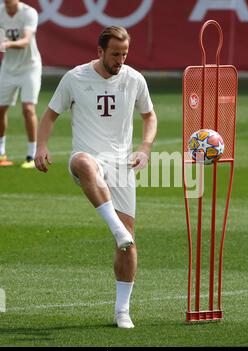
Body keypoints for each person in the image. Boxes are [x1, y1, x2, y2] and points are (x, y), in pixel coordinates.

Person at [34, 26, 157, 328]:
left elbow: (149, 116)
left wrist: (144, 147)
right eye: (115, 54)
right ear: (99, 51)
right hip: (87, 157)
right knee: (85, 164)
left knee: (128, 244)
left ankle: (122, 311)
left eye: (125, 53)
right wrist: (41, 146)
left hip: (121, 165)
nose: (120, 59)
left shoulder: (135, 79)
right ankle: (116, 228)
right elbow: (50, 115)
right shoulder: (75, 78)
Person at [0, 0, 42, 168]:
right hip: (8, 69)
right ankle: (1, 153)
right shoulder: (1, 12)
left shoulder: (28, 13)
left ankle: (31, 155)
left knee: (28, 108)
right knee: (1, 109)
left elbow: (25, 41)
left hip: (29, 67)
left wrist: (6, 44)